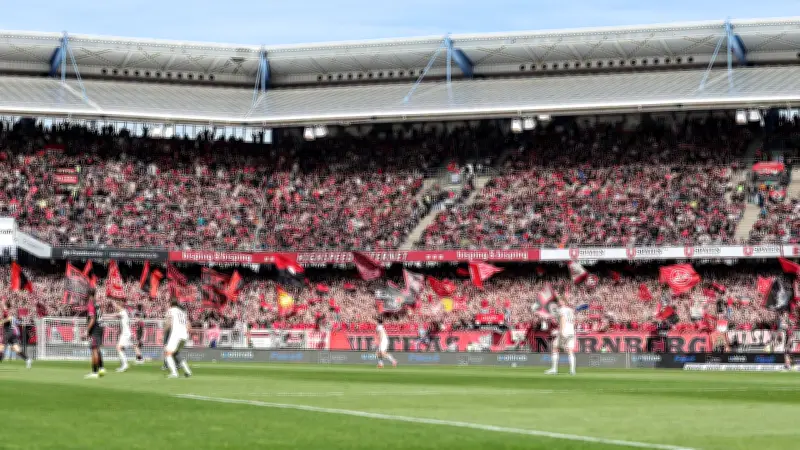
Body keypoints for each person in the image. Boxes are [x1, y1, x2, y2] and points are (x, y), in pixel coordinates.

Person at [545, 294, 576, 376]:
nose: (558, 302)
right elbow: (573, 321)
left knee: (555, 347)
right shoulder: (570, 310)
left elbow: (562, 319)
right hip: (571, 331)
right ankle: (572, 370)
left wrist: (561, 331)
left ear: (563, 302)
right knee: (570, 351)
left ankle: (554, 369)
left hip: (564, 331)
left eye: (560, 300)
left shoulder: (561, 310)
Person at [164, 299, 192, 379]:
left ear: (170, 303)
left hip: (176, 334)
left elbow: (168, 323)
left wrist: (164, 332)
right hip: (184, 335)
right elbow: (188, 325)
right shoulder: (182, 312)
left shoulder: (171, 310)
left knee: (168, 353)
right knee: (176, 353)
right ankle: (187, 371)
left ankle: (174, 373)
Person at [0, 305, 32, 369]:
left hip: (8, 333)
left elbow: (9, 318)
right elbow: (17, 322)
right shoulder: (13, 317)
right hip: (13, 334)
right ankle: (27, 359)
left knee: (1, 348)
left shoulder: (6, 314)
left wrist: (2, 322)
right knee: (17, 349)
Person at [84, 291, 106, 379]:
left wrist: (86, 331)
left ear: (89, 295)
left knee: (94, 350)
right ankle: (101, 368)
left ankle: (94, 372)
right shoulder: (97, 304)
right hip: (100, 328)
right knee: (97, 349)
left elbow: (92, 319)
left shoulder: (90, 304)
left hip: (95, 329)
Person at [115, 302, 132, 372]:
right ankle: (124, 365)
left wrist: (102, 317)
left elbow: (116, 316)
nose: (116, 308)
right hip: (125, 333)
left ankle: (125, 365)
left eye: (117, 306)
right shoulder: (123, 312)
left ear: (120, 306)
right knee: (121, 349)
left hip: (126, 334)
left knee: (118, 347)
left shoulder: (123, 312)